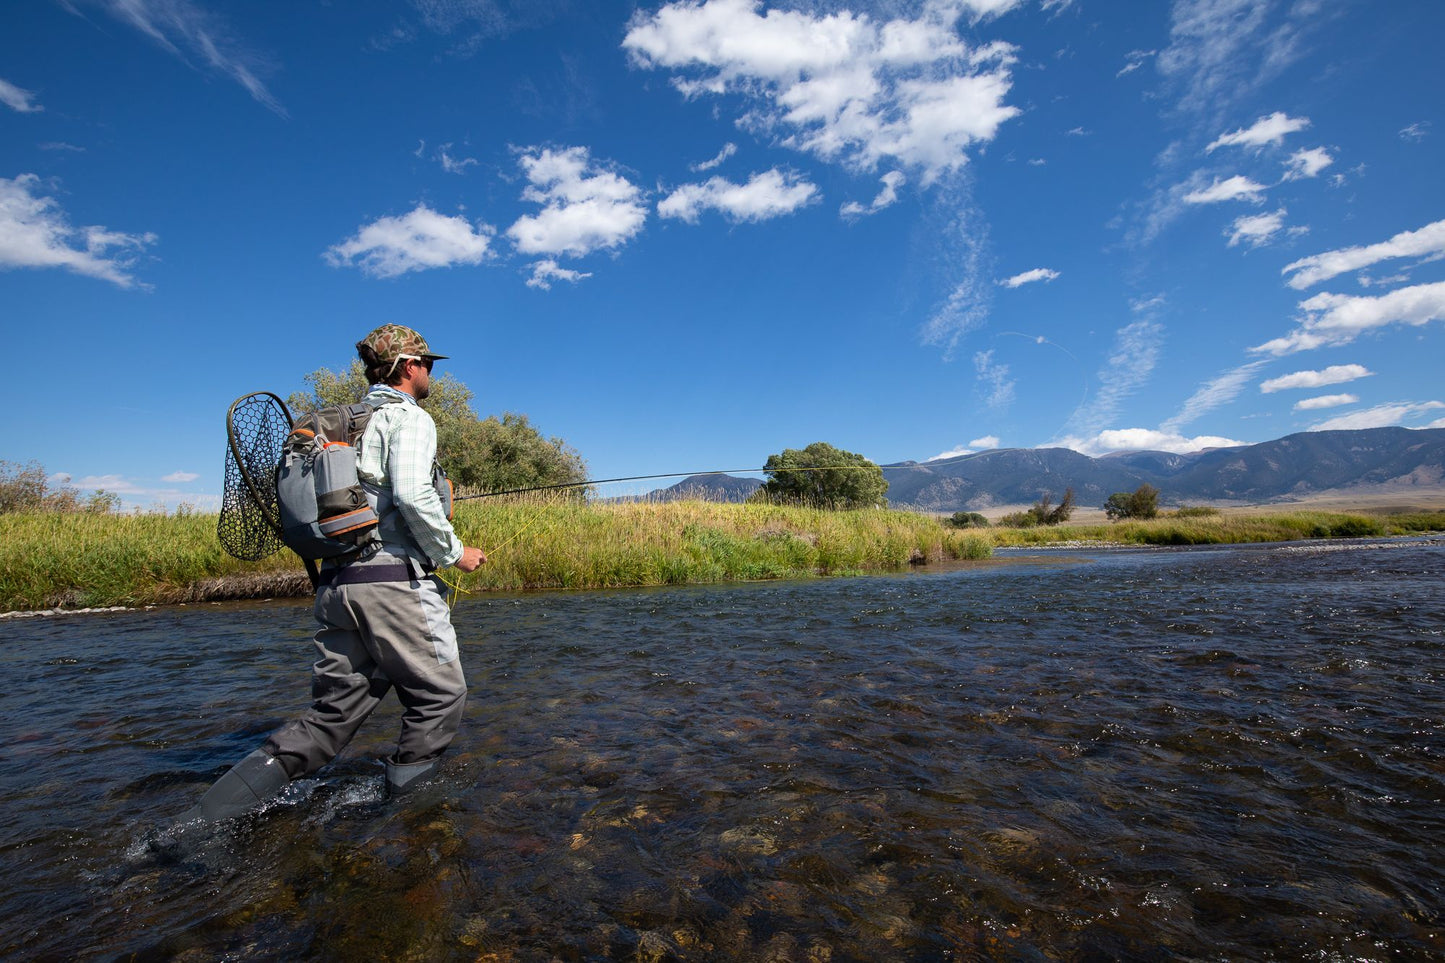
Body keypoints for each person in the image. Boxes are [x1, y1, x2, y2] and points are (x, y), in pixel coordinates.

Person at [183, 324, 487, 823]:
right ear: (409, 367)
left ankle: (198, 824)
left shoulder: (341, 424)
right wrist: (455, 553)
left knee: (330, 718)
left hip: (337, 587)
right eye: (427, 363)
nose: (431, 372)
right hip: (392, 587)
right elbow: (411, 494)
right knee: (440, 697)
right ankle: (409, 823)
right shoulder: (407, 418)